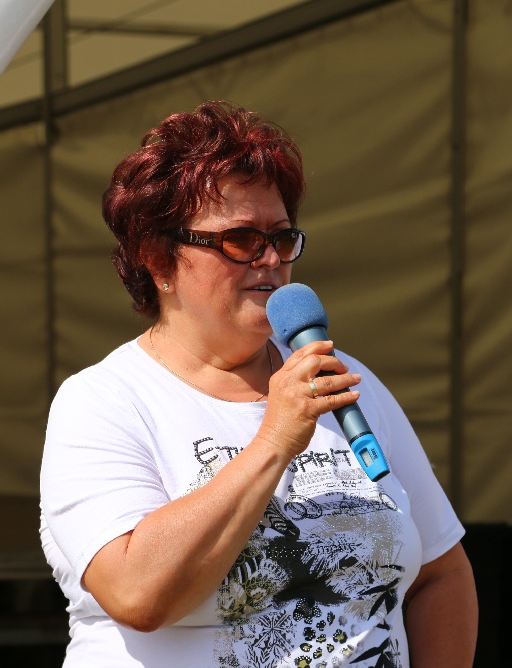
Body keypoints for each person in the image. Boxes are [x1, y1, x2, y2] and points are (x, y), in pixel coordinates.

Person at [40, 101, 477, 668]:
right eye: (241, 239)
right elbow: (137, 595)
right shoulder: (102, 402)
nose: (270, 258)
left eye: (282, 236)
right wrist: (273, 440)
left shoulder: (343, 375)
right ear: (157, 259)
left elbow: (442, 572)